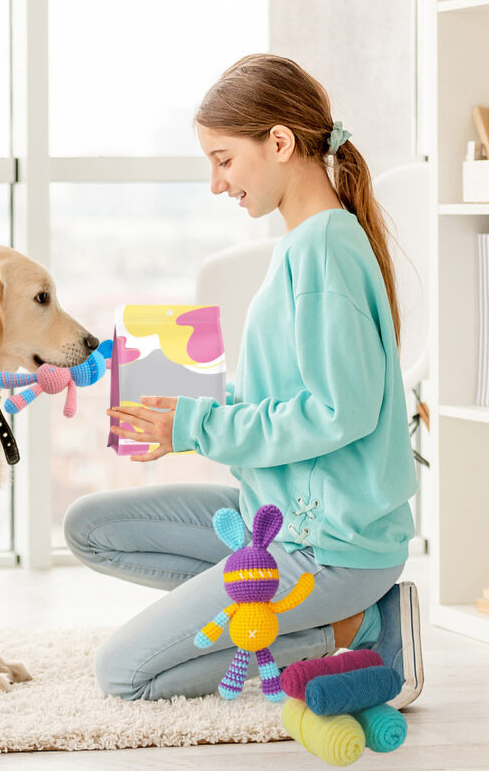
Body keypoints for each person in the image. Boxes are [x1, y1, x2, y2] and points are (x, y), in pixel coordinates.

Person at [63, 54, 423, 708]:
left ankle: (359, 624)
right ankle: (274, 612)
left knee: (124, 672)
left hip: (331, 548)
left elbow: (339, 412)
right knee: (90, 527)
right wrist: (186, 407)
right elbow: (287, 395)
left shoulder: (324, 253)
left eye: (223, 159)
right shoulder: (302, 244)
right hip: (278, 518)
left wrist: (196, 425)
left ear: (279, 143)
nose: (215, 183)